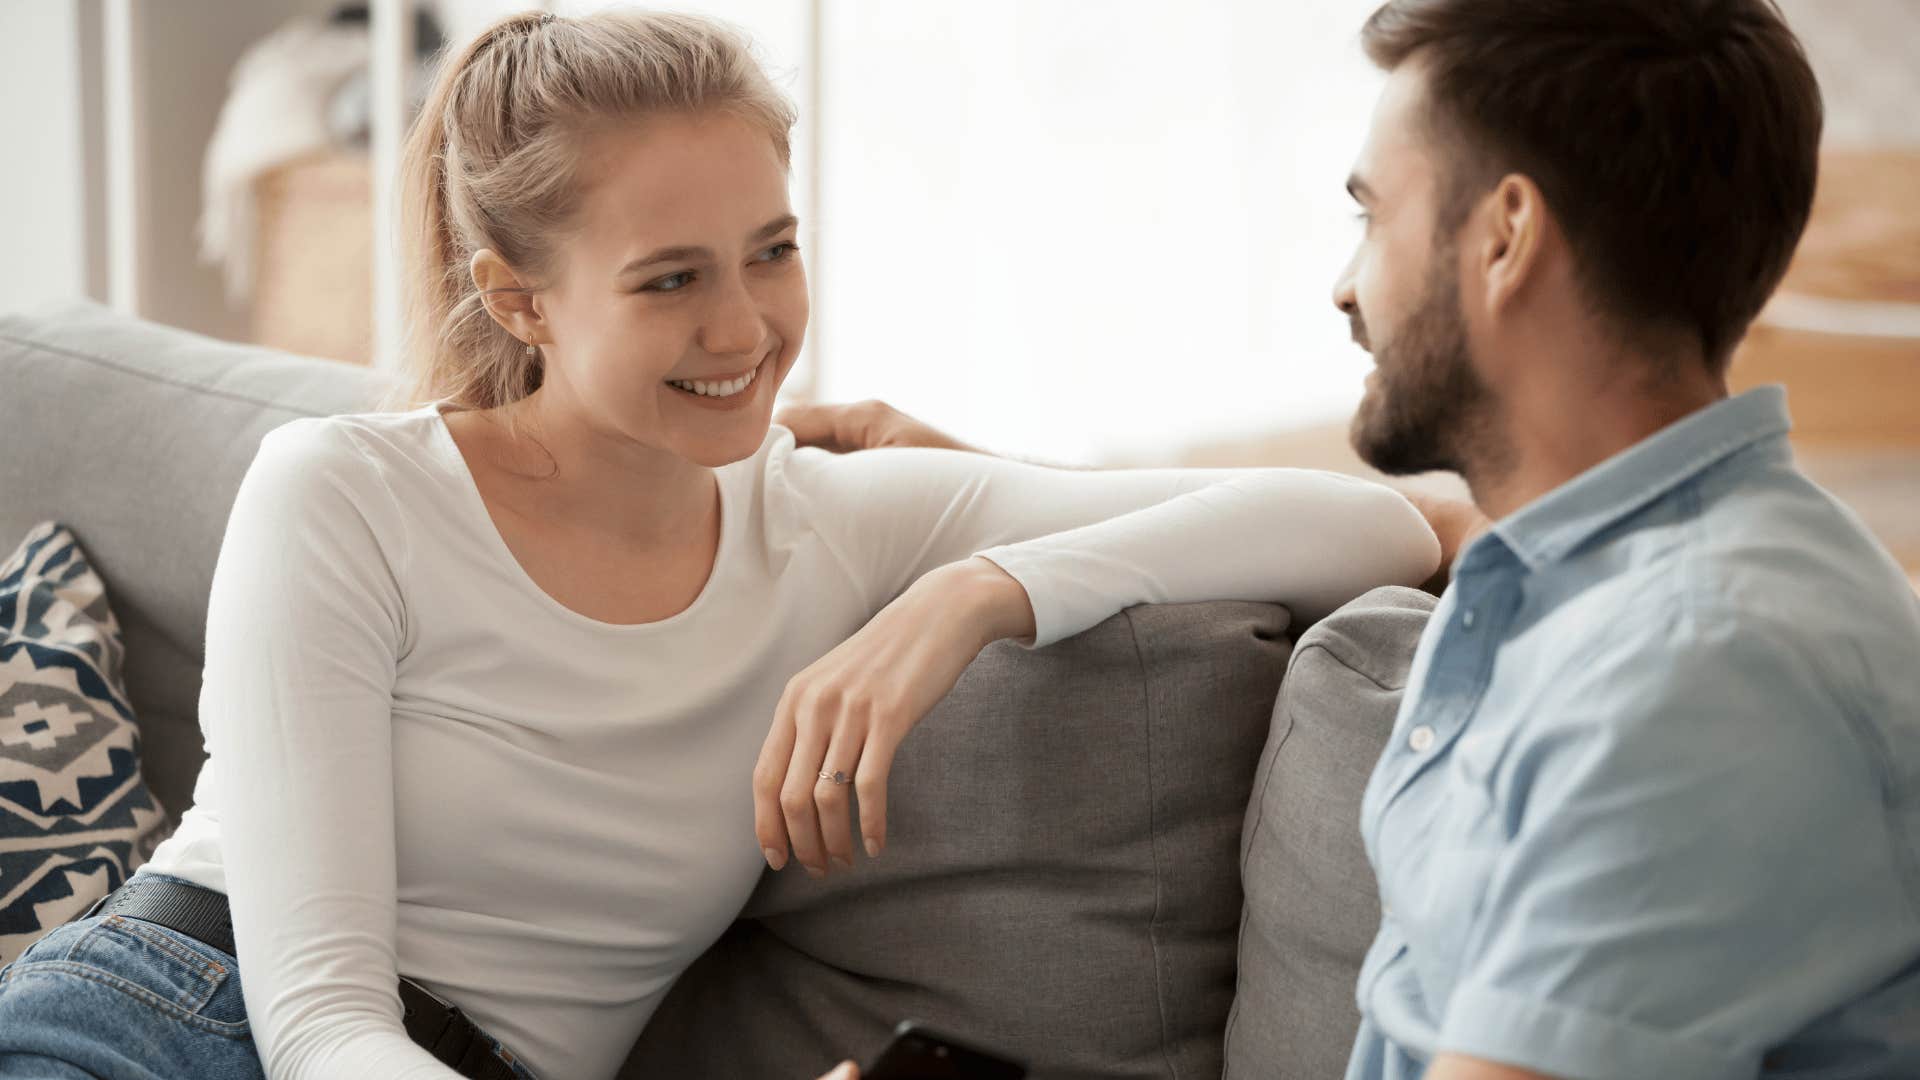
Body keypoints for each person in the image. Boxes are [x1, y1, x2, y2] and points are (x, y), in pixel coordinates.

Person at [0, 11, 1445, 1080]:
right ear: (518, 303)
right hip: (170, 1023)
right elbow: (319, 1016)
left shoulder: (834, 520)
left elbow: (1373, 521)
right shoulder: (340, 494)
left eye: (772, 248)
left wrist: (975, 593)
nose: (745, 328)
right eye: (670, 279)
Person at [800, 2, 1920, 1078]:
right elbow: (1390, 521)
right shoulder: (1607, 557)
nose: (1344, 288)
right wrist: (990, 510)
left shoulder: (1694, 681)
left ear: (1505, 238)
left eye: (1372, 215)